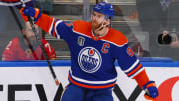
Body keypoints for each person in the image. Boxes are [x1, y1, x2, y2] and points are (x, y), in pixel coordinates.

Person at [20, 2, 158, 101]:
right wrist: (36, 15)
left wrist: (147, 84)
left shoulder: (117, 40)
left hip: (102, 91)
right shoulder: (78, 29)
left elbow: (133, 67)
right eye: (94, 15)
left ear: (108, 20)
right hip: (76, 87)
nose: (94, 19)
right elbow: (54, 25)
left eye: (99, 16)